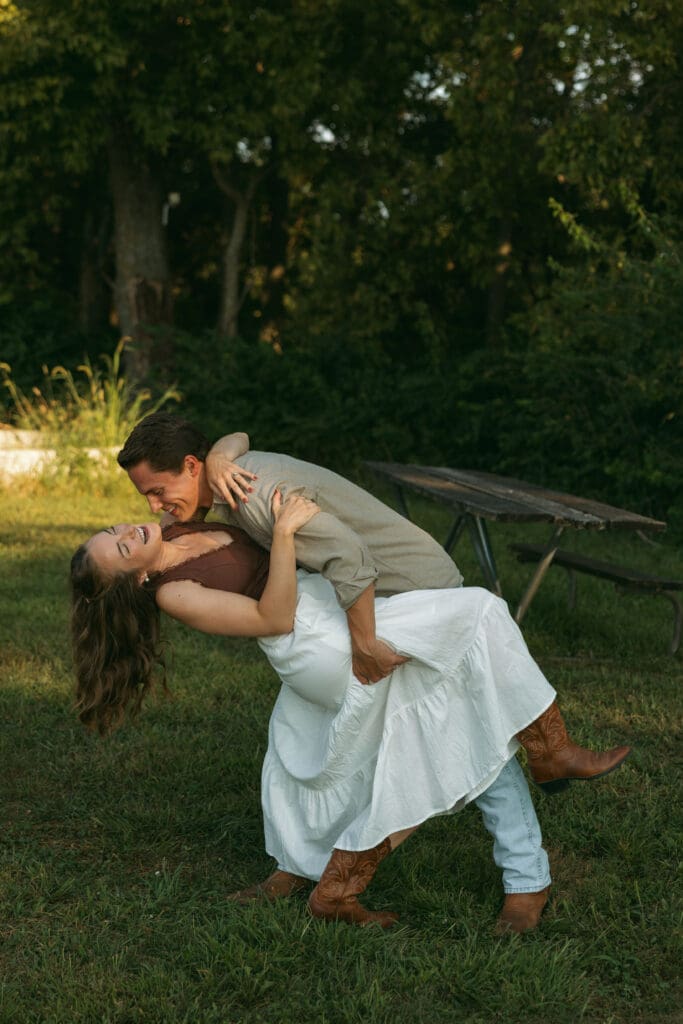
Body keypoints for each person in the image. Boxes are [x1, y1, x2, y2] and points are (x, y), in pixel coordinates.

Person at [113, 412, 631, 932]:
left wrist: (224, 455)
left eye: (156, 491)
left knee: (340, 743)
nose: (152, 508)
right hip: (334, 618)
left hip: (402, 588)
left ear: (190, 465)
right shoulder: (200, 518)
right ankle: (529, 832)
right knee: (446, 715)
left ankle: (319, 871)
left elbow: (341, 550)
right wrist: (362, 641)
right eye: (145, 501)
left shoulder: (242, 491)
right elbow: (331, 562)